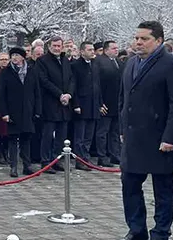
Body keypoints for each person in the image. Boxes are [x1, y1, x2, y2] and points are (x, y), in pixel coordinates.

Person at [114, 21, 173, 240]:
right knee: (130, 184)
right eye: (136, 38)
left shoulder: (172, 63)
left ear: (158, 41)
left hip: (160, 139)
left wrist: (170, 137)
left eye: (144, 39)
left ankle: (160, 234)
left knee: (163, 190)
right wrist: (123, 128)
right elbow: (124, 98)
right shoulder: (131, 62)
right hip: (134, 137)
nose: (138, 42)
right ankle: (136, 230)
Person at [36, 36, 76, 174]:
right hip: (50, 103)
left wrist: (69, 94)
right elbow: (44, 81)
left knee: (61, 134)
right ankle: (45, 161)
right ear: (49, 46)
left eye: (59, 46)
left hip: (65, 104)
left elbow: (71, 79)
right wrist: (60, 94)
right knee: (48, 134)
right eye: (54, 46)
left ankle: (56, 159)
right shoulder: (42, 61)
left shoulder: (65, 60)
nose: (57, 48)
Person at [0, 47, 39, 178]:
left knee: (26, 138)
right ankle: (13, 166)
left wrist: (37, 110)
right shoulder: (6, 72)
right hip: (12, 111)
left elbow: (37, 92)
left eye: (17, 55)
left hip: (28, 110)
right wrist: (4, 112)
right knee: (12, 139)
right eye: (12, 55)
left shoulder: (31, 71)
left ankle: (27, 165)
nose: (14, 57)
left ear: (23, 57)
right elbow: (1, 94)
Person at [70, 41, 99, 170]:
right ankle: (80, 160)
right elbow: (73, 87)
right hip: (81, 104)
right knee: (79, 136)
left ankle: (86, 159)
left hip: (93, 104)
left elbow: (98, 86)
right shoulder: (75, 66)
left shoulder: (94, 64)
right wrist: (75, 104)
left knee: (89, 135)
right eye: (89, 50)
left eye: (93, 49)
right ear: (82, 52)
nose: (92, 52)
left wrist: (100, 102)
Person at [94, 40, 121, 167]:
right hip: (105, 103)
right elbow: (96, 84)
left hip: (117, 103)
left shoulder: (118, 62)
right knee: (102, 132)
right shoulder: (99, 62)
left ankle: (115, 154)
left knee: (115, 131)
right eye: (113, 48)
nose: (116, 50)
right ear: (106, 50)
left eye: (117, 48)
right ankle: (102, 156)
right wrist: (100, 102)